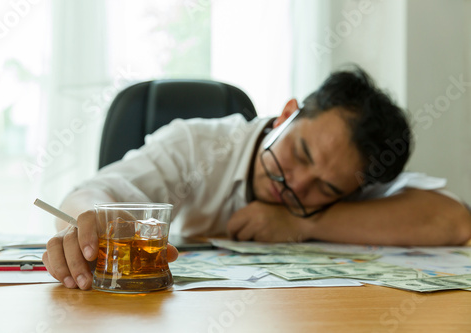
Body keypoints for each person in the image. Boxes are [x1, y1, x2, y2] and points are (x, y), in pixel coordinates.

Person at [42, 66, 471, 290]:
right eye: (299, 152)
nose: (297, 185)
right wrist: (87, 223)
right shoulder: (196, 144)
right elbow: (95, 191)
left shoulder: (352, 174)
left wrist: (304, 223)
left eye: (327, 189)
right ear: (287, 115)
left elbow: (454, 221)